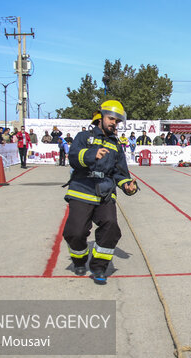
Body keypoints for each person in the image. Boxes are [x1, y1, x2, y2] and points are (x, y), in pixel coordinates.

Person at [62, 100, 138, 285]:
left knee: (111, 227)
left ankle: (98, 267)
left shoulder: (116, 145)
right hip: (82, 189)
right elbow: (73, 157)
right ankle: (79, 259)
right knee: (76, 232)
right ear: (100, 117)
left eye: (117, 121)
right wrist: (90, 155)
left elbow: (120, 173)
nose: (114, 123)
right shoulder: (83, 137)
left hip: (105, 192)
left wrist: (127, 185)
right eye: (111, 119)